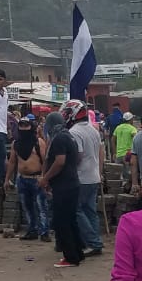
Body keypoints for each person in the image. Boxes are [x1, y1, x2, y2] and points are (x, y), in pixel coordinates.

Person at [42, 110, 84, 268]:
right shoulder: (69, 136)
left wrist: (45, 178)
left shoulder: (58, 138)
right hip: (72, 183)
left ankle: (71, 257)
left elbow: (59, 161)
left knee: (62, 221)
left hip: (64, 186)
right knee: (71, 220)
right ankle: (78, 252)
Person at [64, 101, 105, 258]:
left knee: (77, 210)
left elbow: (78, 156)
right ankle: (94, 242)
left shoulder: (74, 132)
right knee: (90, 211)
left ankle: (93, 242)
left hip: (81, 177)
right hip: (93, 176)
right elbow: (100, 152)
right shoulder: (93, 130)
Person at [8, 114, 51, 242]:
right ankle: (32, 230)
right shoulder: (15, 144)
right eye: (21, 125)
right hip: (22, 179)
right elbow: (12, 162)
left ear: (31, 127)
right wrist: (7, 179)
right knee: (27, 207)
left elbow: (45, 161)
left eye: (26, 125)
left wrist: (44, 178)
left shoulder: (39, 142)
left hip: (36, 178)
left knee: (41, 207)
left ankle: (44, 232)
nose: (23, 128)